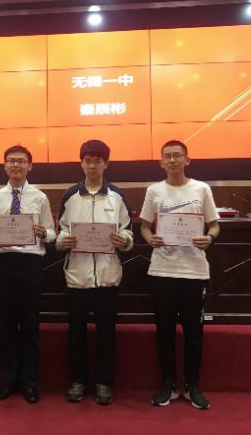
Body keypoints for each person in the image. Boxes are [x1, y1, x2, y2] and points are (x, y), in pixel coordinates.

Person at [139, 140, 220, 410]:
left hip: (194, 272)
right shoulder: (154, 191)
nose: (172, 160)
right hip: (162, 270)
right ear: (161, 162)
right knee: (164, 332)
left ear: (187, 160)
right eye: (168, 156)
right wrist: (150, 238)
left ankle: (192, 385)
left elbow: (214, 225)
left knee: (193, 333)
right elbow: (145, 226)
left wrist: (209, 238)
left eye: (177, 155)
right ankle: (169, 384)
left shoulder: (201, 189)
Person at [56, 140, 134, 405]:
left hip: (107, 277)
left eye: (97, 161)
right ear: (81, 163)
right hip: (77, 277)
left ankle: (104, 382)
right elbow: (61, 231)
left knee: (106, 333)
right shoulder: (70, 196)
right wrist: (63, 240)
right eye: (87, 160)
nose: (92, 165)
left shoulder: (117, 196)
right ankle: (77, 381)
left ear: (105, 164)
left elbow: (127, 231)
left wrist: (124, 240)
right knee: (76, 334)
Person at [0, 145, 56, 403]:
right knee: (6, 325)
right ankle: (7, 381)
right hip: (3, 264)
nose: (16, 165)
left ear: (29, 166)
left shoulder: (40, 197)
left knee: (30, 325)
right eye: (11, 161)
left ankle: (30, 383)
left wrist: (43, 232)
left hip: (30, 264)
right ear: (4, 166)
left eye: (21, 161)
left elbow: (52, 233)